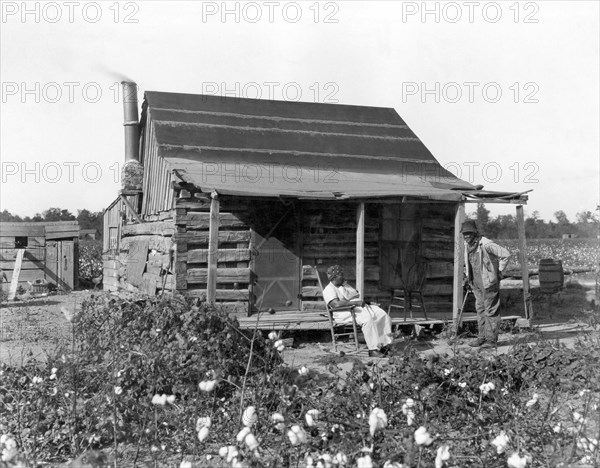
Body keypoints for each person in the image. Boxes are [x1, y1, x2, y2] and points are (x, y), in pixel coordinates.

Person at [322, 265, 393, 357]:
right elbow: (335, 304)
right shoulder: (329, 289)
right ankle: (373, 349)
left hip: (355, 308)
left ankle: (385, 345)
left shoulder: (344, 285)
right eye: (341, 275)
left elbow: (355, 296)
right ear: (334, 277)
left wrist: (367, 302)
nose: (344, 277)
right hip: (343, 312)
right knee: (368, 320)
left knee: (383, 315)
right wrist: (355, 303)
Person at [461, 220, 511, 348]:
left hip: (489, 283)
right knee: (480, 310)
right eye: (464, 234)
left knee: (491, 311)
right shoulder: (467, 245)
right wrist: (467, 277)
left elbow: (506, 254)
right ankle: (481, 337)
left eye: (469, 233)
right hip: (476, 284)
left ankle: (491, 339)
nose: (466, 236)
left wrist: (499, 271)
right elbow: (469, 263)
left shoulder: (486, 244)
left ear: (475, 233)